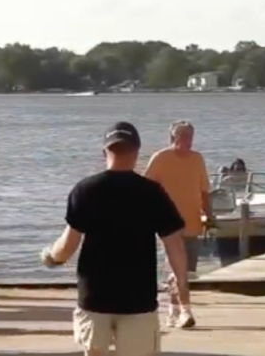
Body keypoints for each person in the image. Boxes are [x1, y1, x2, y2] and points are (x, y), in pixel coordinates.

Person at [39, 121, 190, 355]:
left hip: (94, 298)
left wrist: (50, 257)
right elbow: (175, 246)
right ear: (137, 152)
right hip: (138, 300)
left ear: (104, 152)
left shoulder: (85, 190)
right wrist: (181, 285)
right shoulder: (152, 193)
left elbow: (68, 246)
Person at [144, 120, 211, 329]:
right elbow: (146, 189)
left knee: (186, 270)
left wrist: (209, 214)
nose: (188, 141)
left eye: (190, 136)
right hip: (167, 223)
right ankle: (185, 311)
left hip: (192, 221)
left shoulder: (197, 159)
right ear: (173, 138)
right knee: (178, 268)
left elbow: (204, 190)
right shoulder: (161, 158)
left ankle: (173, 308)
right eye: (183, 136)